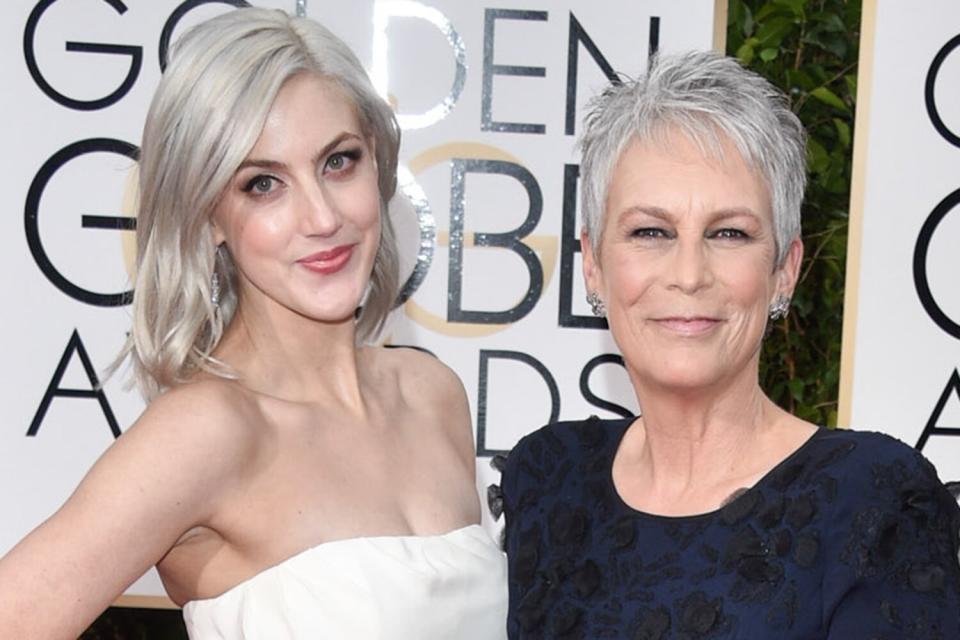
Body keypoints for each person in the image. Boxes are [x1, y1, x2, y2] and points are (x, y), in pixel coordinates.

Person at [0, 8, 506, 639]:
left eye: (338, 162)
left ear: (377, 161)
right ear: (209, 213)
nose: (322, 217)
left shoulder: (433, 394)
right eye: (263, 184)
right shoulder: (207, 433)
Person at [499, 50, 960, 639]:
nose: (689, 274)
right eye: (650, 231)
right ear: (592, 264)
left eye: (728, 233)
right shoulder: (548, 477)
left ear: (784, 270)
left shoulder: (875, 502)